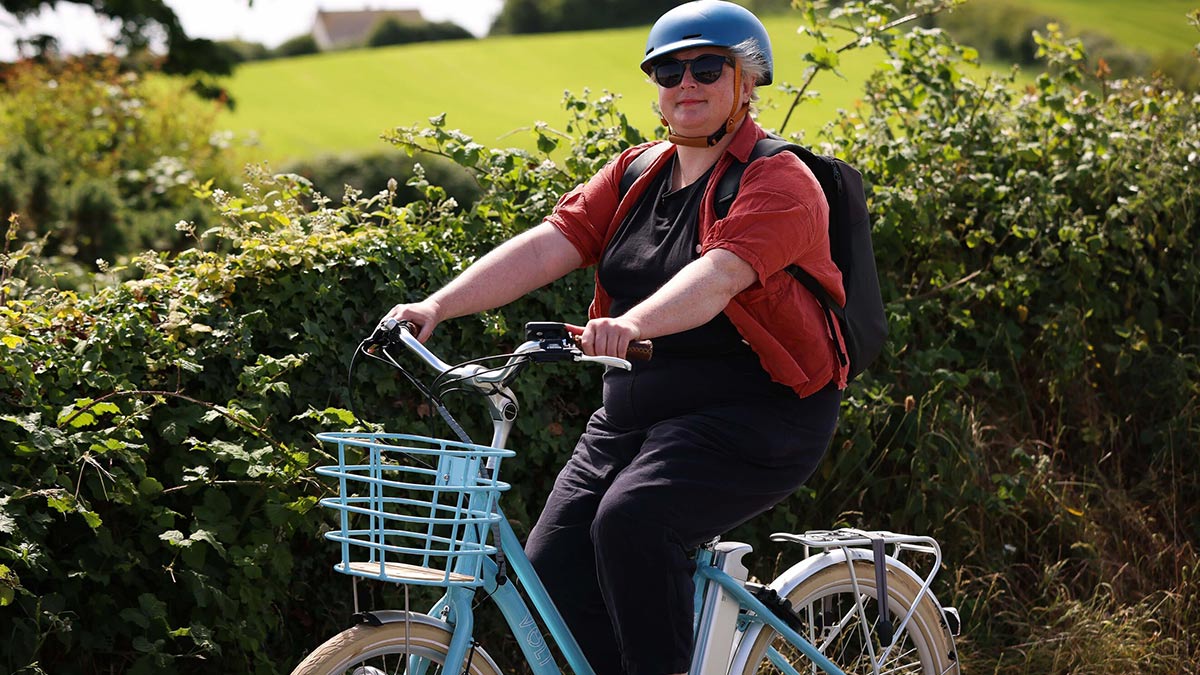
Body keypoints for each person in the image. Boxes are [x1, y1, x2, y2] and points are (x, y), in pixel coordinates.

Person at [384, 2, 847, 672]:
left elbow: (718, 276)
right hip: (640, 408)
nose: (685, 82)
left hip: (760, 412)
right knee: (550, 567)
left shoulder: (779, 179)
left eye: (707, 66)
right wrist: (436, 304)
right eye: (667, 70)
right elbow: (551, 244)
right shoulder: (638, 173)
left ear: (746, 81)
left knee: (632, 523)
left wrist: (630, 324)